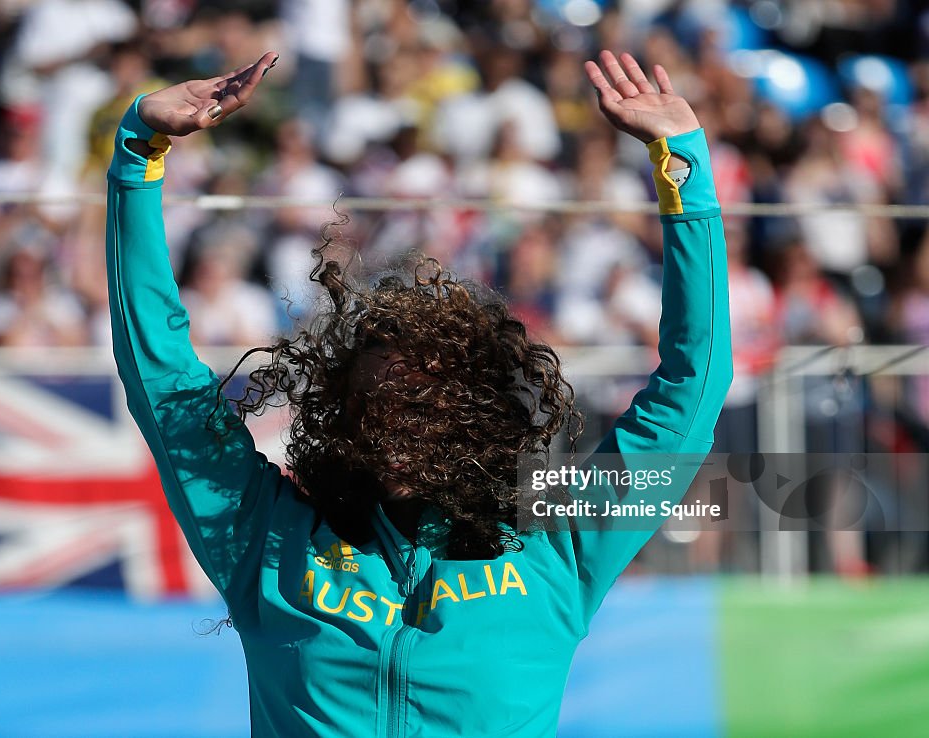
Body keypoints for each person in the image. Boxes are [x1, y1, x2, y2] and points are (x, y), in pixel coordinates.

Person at [106, 50, 731, 737]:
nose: (395, 428)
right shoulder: (271, 540)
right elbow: (163, 382)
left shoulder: (555, 544)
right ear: (340, 416)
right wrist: (139, 152)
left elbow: (690, 387)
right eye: (372, 407)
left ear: (478, 415)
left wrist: (684, 174)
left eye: (426, 408)